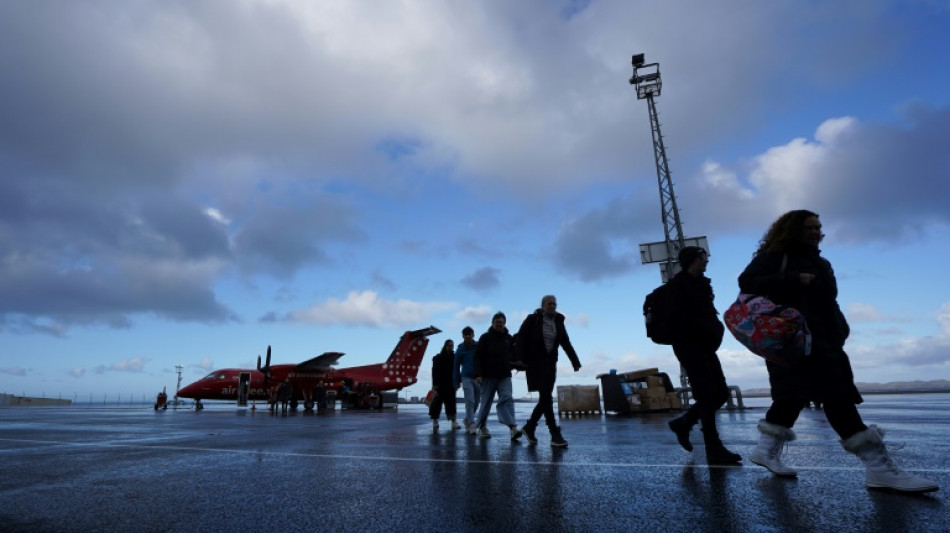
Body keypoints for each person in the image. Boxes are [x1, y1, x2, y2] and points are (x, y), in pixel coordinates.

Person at [739, 209, 937, 492]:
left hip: (821, 340)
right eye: (809, 227)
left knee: (791, 398)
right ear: (792, 230)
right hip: (796, 341)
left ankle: (765, 450)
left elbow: (826, 303)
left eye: (818, 227)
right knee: (838, 398)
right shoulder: (777, 257)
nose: (817, 231)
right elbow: (746, 282)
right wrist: (794, 279)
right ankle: (879, 468)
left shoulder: (820, 261)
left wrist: (839, 329)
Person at [665, 247, 742, 465]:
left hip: (706, 346)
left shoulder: (703, 283)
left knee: (720, 393)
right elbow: (676, 319)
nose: (706, 261)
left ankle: (684, 422)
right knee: (707, 396)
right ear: (692, 260)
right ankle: (713, 448)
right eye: (703, 258)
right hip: (689, 346)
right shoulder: (677, 286)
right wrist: (704, 329)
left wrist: (714, 330)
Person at [515, 295, 581, 448]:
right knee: (546, 398)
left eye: (554, 304)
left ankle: (530, 427)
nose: (552, 306)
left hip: (551, 364)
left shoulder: (558, 321)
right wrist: (519, 359)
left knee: (545, 398)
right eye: (549, 303)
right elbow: (520, 338)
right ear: (543, 305)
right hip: (535, 363)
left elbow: (565, 342)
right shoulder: (533, 319)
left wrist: (575, 361)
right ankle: (554, 434)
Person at [472, 312, 523, 441]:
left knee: (507, 398)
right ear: (492, 323)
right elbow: (477, 357)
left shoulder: (509, 338)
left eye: (501, 322)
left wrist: (519, 364)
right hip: (488, 375)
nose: (499, 323)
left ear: (504, 323)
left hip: (504, 374)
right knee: (486, 402)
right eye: (496, 321)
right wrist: (478, 374)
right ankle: (482, 427)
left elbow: (514, 355)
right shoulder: (485, 338)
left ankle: (512, 428)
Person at [453, 326, 481, 433]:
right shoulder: (460, 349)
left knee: (477, 402)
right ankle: (472, 424)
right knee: (470, 401)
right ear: (463, 336)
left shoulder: (478, 346)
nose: (468, 336)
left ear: (473, 335)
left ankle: (467, 419)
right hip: (466, 377)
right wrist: (456, 382)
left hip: (478, 378)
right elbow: (456, 366)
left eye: (470, 334)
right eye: (466, 334)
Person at [429, 339, 460, 430]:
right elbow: (434, 372)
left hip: (450, 384)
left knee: (451, 403)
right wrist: (435, 384)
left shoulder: (455, 357)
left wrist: (457, 382)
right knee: (436, 403)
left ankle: (453, 421)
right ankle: (435, 420)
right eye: (449, 345)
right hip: (439, 384)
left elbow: (457, 371)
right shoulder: (438, 358)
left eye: (452, 345)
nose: (451, 347)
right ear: (445, 346)